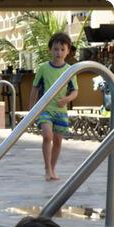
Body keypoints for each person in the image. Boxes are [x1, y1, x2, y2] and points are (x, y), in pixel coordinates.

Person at [29, 32, 78, 181]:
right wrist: (32, 110)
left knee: (57, 141)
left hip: (60, 111)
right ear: (50, 50)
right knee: (47, 136)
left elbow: (75, 91)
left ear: (68, 51)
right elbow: (35, 88)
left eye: (62, 50)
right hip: (45, 109)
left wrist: (67, 99)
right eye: (56, 49)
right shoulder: (43, 68)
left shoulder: (70, 70)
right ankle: (47, 168)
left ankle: (53, 168)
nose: (59, 53)